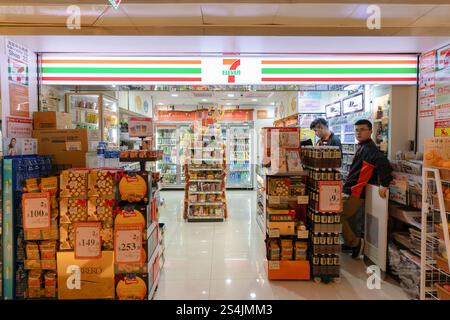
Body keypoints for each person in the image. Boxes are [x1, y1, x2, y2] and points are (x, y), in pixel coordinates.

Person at [342, 119, 393, 259]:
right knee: (350, 218)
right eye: (357, 130)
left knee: (336, 215)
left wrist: (384, 184)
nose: (359, 133)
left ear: (370, 131)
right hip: (352, 189)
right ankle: (349, 243)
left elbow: (384, 163)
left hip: (355, 191)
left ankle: (355, 243)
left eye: (363, 129)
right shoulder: (363, 147)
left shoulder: (369, 149)